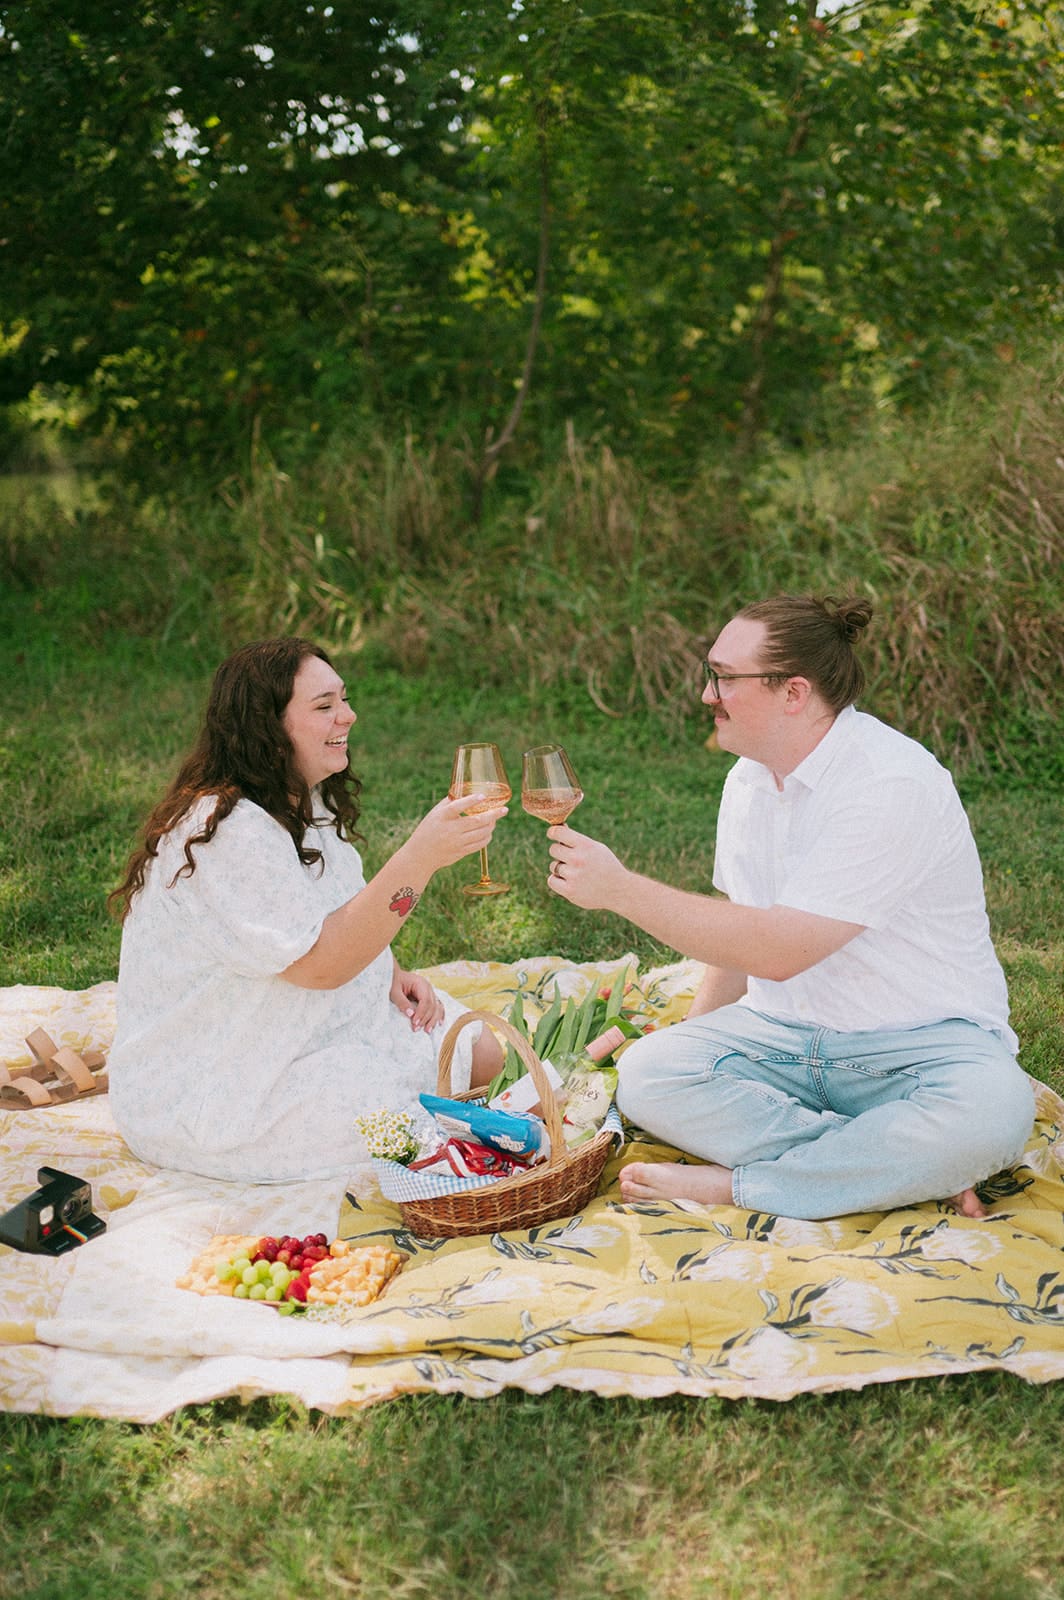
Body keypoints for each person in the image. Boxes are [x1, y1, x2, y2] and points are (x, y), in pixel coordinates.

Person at [544, 594, 1034, 1221]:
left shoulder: (891, 784)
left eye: (724, 678)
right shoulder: (747, 779)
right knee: (649, 1074)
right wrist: (696, 1041)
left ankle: (746, 1184)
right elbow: (738, 935)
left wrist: (620, 889)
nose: (706, 694)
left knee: (993, 1115)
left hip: (919, 1046)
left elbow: (777, 952)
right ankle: (881, 1169)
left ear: (793, 692)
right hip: (783, 1040)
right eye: (710, 674)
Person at [106, 637, 506, 1183]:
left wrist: (386, 969)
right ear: (267, 729)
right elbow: (320, 965)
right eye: (324, 706)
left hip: (305, 1022)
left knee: (484, 1050)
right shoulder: (226, 833)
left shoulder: (300, 800)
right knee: (414, 1130)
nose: (348, 715)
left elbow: (330, 912)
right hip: (222, 1082)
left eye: (343, 698)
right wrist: (422, 858)